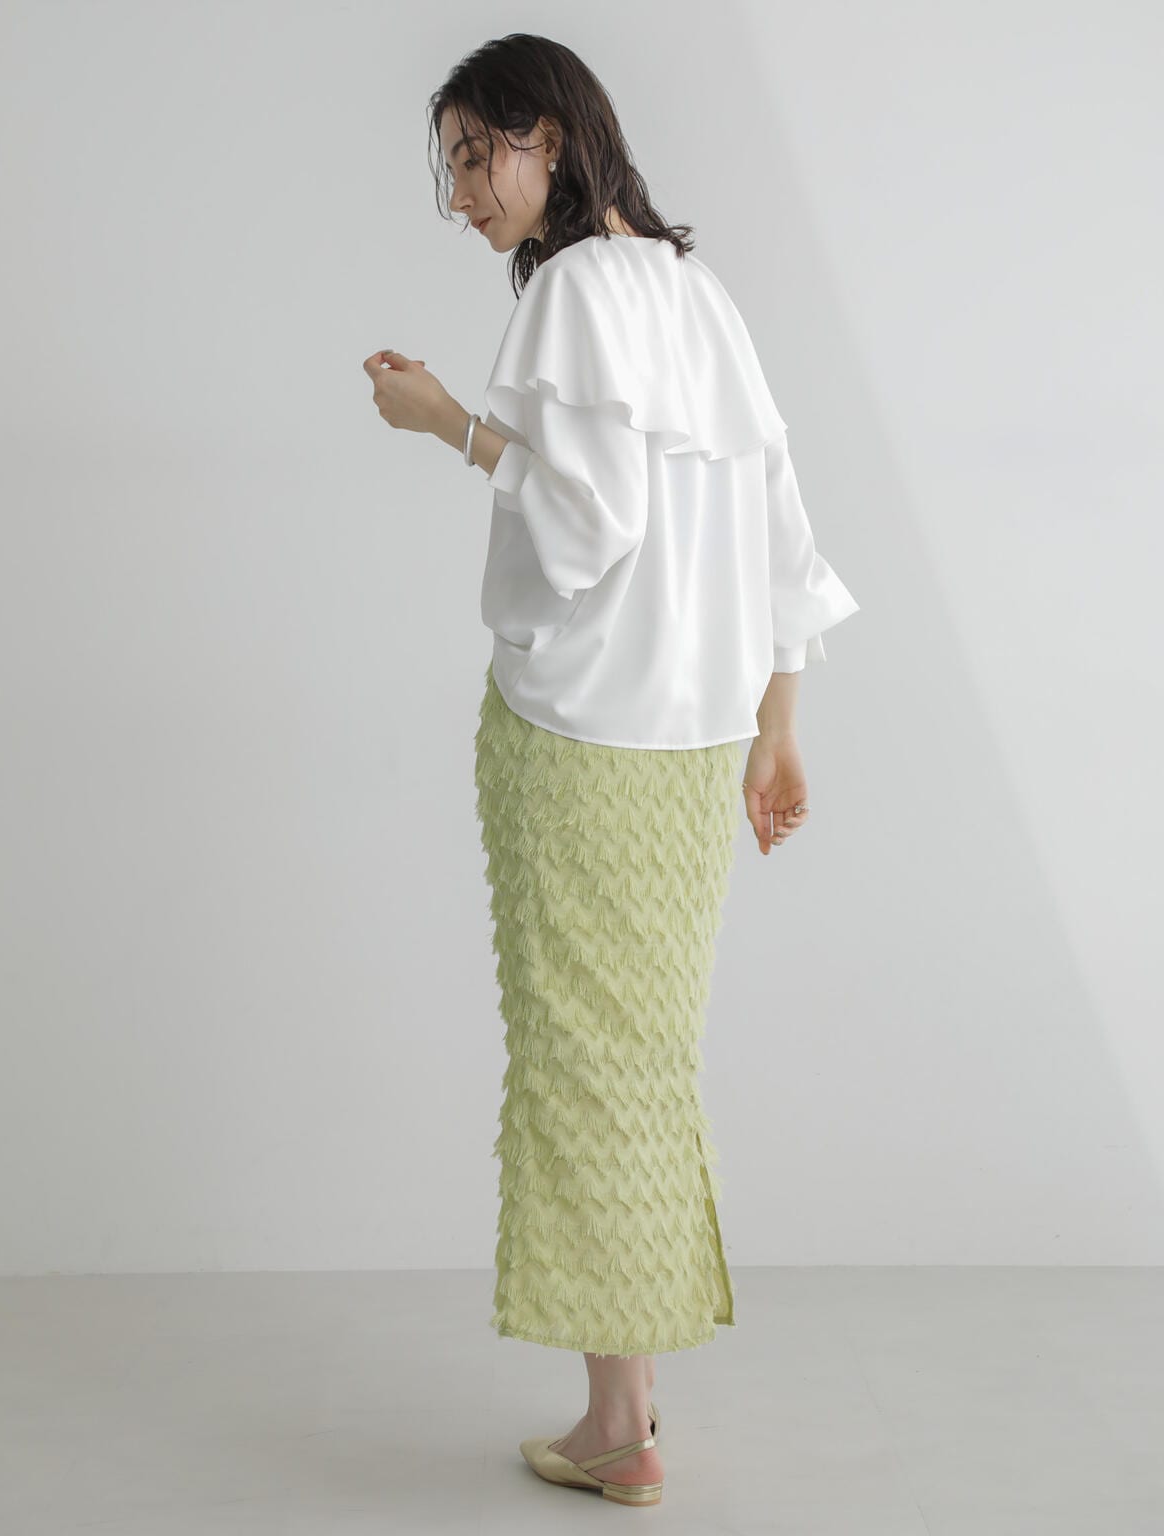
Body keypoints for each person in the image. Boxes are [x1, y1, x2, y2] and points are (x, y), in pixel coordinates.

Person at [362, 33, 860, 1509]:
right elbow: (779, 524)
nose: (464, 192)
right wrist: (777, 725)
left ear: (554, 140)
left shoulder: (574, 291)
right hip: (695, 745)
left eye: (480, 155)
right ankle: (624, 1409)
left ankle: (620, 1426)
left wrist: (448, 422)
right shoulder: (700, 294)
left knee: (581, 1061)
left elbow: (587, 526)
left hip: (578, 739)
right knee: (638, 1059)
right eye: (453, 164)